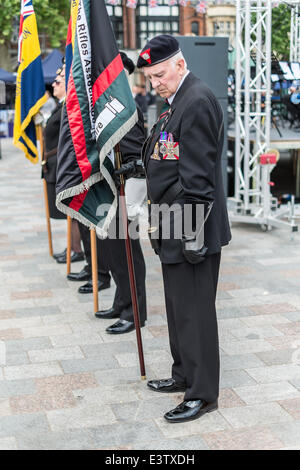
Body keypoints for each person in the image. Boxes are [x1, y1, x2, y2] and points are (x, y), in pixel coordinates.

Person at [133, 34, 231, 423]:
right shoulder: (175, 102)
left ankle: (203, 394)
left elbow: (200, 179)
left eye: (160, 74)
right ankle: (183, 375)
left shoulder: (197, 100)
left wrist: (191, 234)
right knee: (178, 309)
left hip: (192, 226)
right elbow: (170, 155)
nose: (155, 83)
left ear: (179, 63)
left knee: (196, 313)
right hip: (172, 223)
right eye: (151, 78)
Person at [68, 52, 147, 334]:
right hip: (112, 188)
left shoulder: (125, 108)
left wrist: (122, 171)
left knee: (126, 252)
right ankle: (121, 300)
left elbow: (139, 152)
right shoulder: (108, 106)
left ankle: (134, 311)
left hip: (127, 188)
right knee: (113, 251)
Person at [42, 66, 84, 264]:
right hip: (55, 162)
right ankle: (73, 247)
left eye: (58, 82)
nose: (53, 84)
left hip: (63, 164)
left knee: (72, 209)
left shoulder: (69, 107)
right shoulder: (61, 106)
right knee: (68, 210)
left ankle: (76, 249)